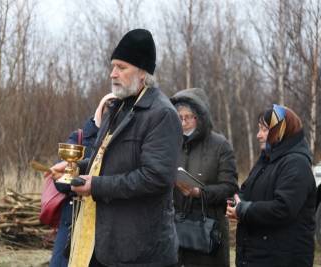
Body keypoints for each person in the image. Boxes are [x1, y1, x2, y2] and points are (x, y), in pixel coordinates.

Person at [50, 28, 183, 266]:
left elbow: (155, 178)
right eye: (113, 66)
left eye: (122, 67)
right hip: (103, 244)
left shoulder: (162, 114)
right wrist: (76, 168)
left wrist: (96, 186)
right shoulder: (118, 108)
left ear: (143, 72)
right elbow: (105, 159)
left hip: (141, 250)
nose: (113, 74)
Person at [226, 104, 316, 267]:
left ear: (280, 131)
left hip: (282, 259)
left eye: (264, 129)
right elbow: (246, 191)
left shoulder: (296, 164)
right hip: (256, 255)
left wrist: (244, 210)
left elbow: (283, 209)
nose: (258, 135)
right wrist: (235, 202)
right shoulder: (266, 160)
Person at [170, 88, 239, 267]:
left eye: (188, 117)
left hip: (207, 234)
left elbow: (230, 187)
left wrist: (199, 192)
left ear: (199, 117)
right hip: (174, 230)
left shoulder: (220, 145)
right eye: (179, 117)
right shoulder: (170, 143)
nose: (183, 122)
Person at [49, 93, 117, 267]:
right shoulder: (80, 138)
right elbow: (60, 182)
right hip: (72, 217)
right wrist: (76, 180)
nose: (108, 114)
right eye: (105, 109)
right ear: (99, 111)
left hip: (105, 220)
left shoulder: (119, 141)